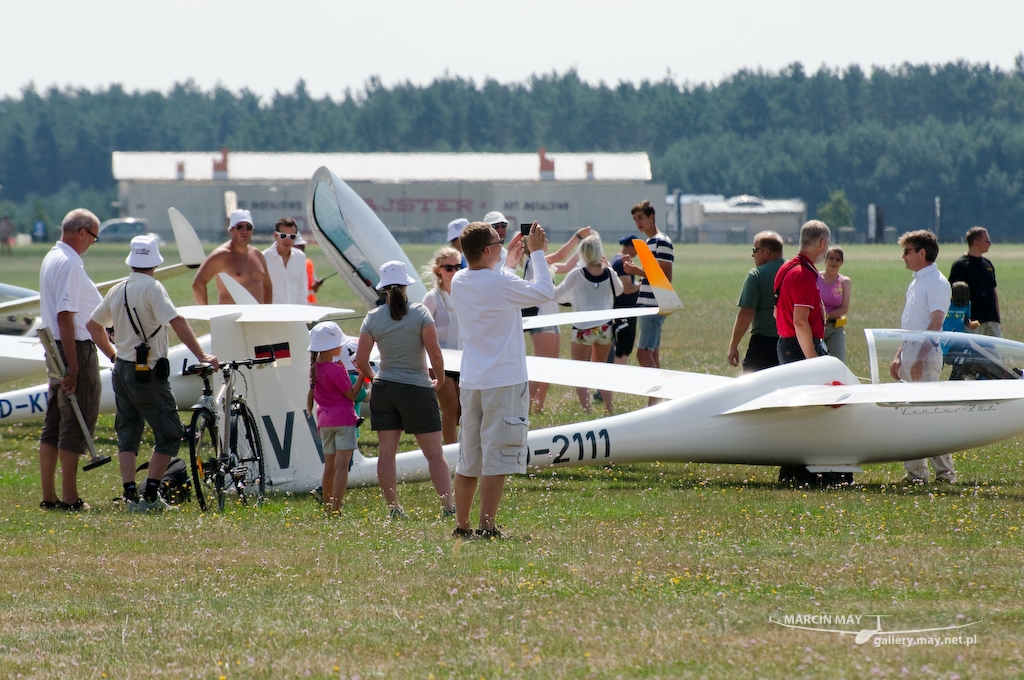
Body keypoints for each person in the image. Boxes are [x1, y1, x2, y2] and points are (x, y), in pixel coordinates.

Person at [87, 235, 219, 511]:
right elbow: (177, 320)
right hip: (147, 372)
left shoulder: (118, 288)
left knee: (128, 431)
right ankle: (150, 496)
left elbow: (93, 326)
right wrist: (202, 356)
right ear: (156, 262)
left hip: (121, 368)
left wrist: (113, 354)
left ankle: (130, 493)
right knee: (170, 434)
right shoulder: (153, 288)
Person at [450, 221, 554, 539]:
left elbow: (496, 284)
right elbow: (544, 293)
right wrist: (536, 254)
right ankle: (487, 527)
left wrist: (508, 262)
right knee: (497, 457)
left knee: (469, 457)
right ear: (486, 250)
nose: (502, 243)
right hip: (504, 380)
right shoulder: (496, 284)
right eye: (498, 241)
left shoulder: (459, 281)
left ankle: (463, 525)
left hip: (472, 380)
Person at [354, 261, 454, 519]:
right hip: (417, 388)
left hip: (385, 389)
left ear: (383, 289)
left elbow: (361, 360)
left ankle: (394, 508)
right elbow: (435, 353)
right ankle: (447, 508)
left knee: (386, 453)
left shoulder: (373, 317)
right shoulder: (420, 313)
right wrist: (440, 380)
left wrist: (376, 377)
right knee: (434, 453)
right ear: (407, 284)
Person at [37, 209, 104, 511]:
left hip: (53, 346)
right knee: (75, 421)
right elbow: (67, 315)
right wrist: (74, 367)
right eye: (93, 237)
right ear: (81, 233)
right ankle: (70, 498)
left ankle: (49, 495)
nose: (92, 243)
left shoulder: (52, 257)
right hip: (72, 346)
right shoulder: (70, 263)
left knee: (53, 421)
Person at [888, 230, 956, 484]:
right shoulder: (916, 281)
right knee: (909, 414)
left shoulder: (937, 282)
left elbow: (936, 323)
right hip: (910, 351)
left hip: (925, 354)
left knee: (929, 415)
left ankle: (945, 473)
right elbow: (910, 325)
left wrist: (920, 357)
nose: (903, 257)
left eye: (907, 251)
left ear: (922, 253)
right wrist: (899, 356)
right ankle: (916, 474)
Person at [521, 227, 590, 412]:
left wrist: (585, 246)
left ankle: (538, 406)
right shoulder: (533, 262)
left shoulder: (545, 264)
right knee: (540, 366)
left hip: (552, 320)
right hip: (541, 321)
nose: (547, 242)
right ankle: (525, 406)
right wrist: (578, 236)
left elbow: (567, 265)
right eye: (544, 239)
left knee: (550, 367)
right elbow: (560, 256)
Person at [553, 233, 623, 414]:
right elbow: (620, 290)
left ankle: (587, 409)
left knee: (579, 371)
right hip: (605, 328)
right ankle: (609, 409)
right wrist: (609, 267)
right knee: (602, 369)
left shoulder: (577, 274)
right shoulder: (608, 272)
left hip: (583, 330)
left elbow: (557, 294)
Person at [620, 200, 673, 405]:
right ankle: (657, 402)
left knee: (643, 354)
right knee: (653, 354)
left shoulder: (660, 241)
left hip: (654, 302)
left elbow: (664, 277)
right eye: (635, 219)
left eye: (640, 218)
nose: (638, 223)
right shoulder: (652, 242)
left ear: (652, 217)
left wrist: (635, 271)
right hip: (649, 301)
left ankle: (655, 400)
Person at [308, 322, 362, 513]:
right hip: (344, 420)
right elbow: (352, 395)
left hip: (325, 422)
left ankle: (327, 505)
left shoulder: (315, 369)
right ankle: (337, 507)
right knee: (341, 467)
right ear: (332, 347)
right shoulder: (336, 369)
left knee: (329, 467)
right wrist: (362, 374)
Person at [421, 246, 463, 444]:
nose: (454, 271)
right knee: (451, 408)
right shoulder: (432, 298)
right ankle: (451, 451)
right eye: (449, 268)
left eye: (458, 266)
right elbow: (421, 331)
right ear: (438, 270)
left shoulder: (465, 294)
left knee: (464, 409)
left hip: (464, 360)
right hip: (441, 363)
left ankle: (464, 449)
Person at [727, 231, 785, 372]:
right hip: (794, 342)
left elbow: (746, 313)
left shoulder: (756, 275)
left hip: (765, 343)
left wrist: (733, 346)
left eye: (755, 250)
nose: (753, 255)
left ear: (766, 252)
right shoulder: (796, 271)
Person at [775, 221, 830, 364]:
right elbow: (800, 321)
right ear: (822, 244)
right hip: (799, 348)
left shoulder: (786, 268)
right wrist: (812, 361)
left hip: (785, 343)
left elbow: (776, 311)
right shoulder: (803, 274)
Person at [191, 209, 273, 304]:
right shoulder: (221, 255)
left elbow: (267, 286)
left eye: (248, 227)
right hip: (232, 317)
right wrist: (207, 314)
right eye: (240, 227)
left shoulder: (257, 254)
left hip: (256, 317)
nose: (244, 231)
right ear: (231, 230)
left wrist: (267, 313)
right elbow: (198, 284)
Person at [949, 226, 1000, 337]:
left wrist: (998, 318)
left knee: (996, 353)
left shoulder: (988, 264)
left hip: (991, 320)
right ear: (976, 243)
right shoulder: (961, 265)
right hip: (972, 322)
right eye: (987, 240)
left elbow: (993, 291)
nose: (990, 243)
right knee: (974, 353)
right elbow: (954, 295)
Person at [609, 235, 641, 365]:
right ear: (630, 247)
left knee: (624, 348)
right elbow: (627, 288)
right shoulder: (622, 262)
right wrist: (643, 283)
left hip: (623, 309)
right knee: (622, 349)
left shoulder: (618, 260)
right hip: (624, 310)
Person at [817, 245, 852, 364]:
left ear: (841, 262)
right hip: (816, 326)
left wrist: (827, 316)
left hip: (835, 327)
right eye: (831, 258)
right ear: (825, 260)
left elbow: (844, 308)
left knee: (838, 362)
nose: (834, 262)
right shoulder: (815, 277)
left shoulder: (844, 282)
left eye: (837, 259)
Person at [263, 217, 307, 305]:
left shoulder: (300, 257)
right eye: (283, 236)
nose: (287, 240)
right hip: (271, 315)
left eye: (292, 236)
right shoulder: (263, 257)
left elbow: (302, 291)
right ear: (275, 235)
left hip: (295, 315)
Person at [293, 233, 325, 304]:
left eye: (302, 245)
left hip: (311, 305)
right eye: (299, 246)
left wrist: (317, 284)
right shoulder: (287, 265)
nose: (302, 248)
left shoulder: (308, 263)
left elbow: (313, 289)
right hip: (296, 305)